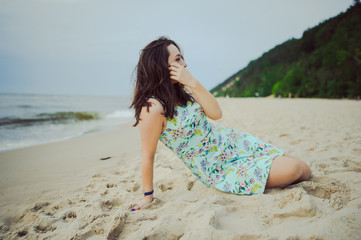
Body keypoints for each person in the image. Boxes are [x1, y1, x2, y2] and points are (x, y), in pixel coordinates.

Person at [129, 36, 311, 211]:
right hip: (220, 168)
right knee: (293, 169)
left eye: (182, 58)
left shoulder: (181, 92)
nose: (184, 64)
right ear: (160, 66)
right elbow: (147, 155)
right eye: (177, 59)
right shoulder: (152, 108)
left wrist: (192, 82)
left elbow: (216, 114)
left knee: (305, 170)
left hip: (235, 143)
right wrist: (148, 196)